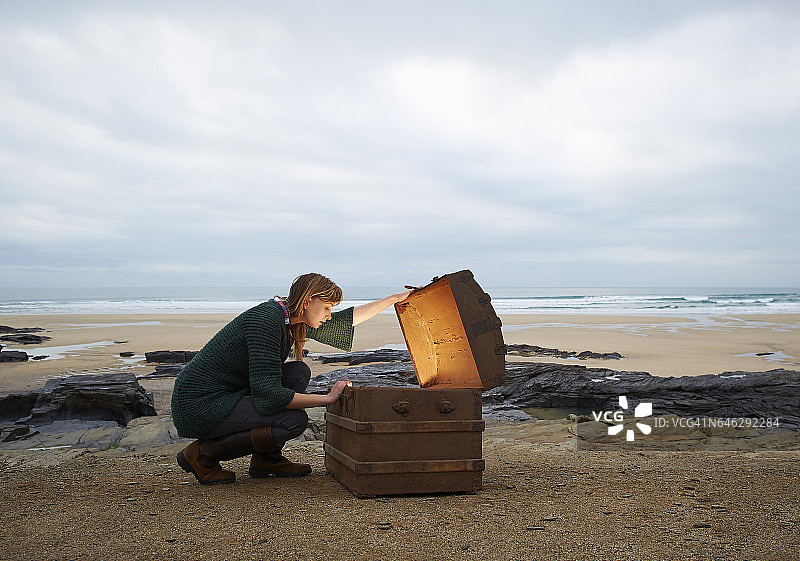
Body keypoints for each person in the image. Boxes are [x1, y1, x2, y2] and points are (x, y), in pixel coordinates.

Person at [171, 273, 411, 485]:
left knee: (298, 372)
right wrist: (326, 399)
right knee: (293, 421)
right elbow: (268, 393)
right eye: (327, 308)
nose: (329, 315)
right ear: (308, 301)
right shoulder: (266, 320)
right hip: (200, 405)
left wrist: (392, 300)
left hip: (226, 396)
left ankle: (266, 459)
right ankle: (202, 455)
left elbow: (344, 322)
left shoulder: (288, 319)